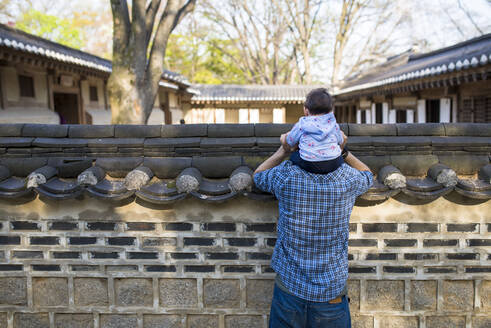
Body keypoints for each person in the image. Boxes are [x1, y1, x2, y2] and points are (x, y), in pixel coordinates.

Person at [253, 91, 373, 328]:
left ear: (305, 113)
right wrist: (345, 150)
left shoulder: (287, 176)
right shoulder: (347, 179)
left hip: (290, 288)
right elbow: (368, 176)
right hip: (331, 293)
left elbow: (258, 176)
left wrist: (284, 151)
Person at [280, 88, 344, 174]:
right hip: (333, 162)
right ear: (331, 110)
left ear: (306, 110)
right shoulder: (334, 124)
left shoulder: (302, 124)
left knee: (294, 156)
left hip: (309, 164)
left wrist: (285, 137)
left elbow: (290, 141)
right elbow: (341, 140)